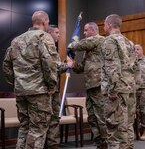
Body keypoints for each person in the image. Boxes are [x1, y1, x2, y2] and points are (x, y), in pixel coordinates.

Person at [3, 10, 59, 149]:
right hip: (39, 92)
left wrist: (16, 82)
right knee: (38, 130)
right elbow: (49, 64)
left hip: (21, 92)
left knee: (24, 128)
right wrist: (52, 85)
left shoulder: (16, 40)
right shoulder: (44, 37)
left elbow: (6, 65)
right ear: (45, 22)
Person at [101, 14, 140, 149]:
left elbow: (112, 67)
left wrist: (112, 90)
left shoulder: (110, 41)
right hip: (130, 88)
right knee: (128, 125)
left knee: (115, 128)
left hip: (117, 91)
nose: (104, 27)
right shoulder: (129, 42)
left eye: (105, 25)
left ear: (110, 25)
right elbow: (135, 67)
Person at [68, 22, 107, 149]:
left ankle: (107, 143)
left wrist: (71, 45)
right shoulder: (89, 49)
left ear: (93, 30)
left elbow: (79, 45)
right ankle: (99, 143)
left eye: (85, 30)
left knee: (101, 117)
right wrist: (74, 65)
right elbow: (82, 67)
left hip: (99, 85)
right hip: (90, 86)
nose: (84, 33)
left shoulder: (99, 40)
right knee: (92, 117)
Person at [135, 44, 145, 140]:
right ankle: (136, 131)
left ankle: (144, 131)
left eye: (138, 49)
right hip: (133, 90)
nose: (136, 51)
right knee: (134, 111)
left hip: (143, 89)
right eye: (134, 49)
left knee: (143, 111)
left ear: (142, 50)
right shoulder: (130, 62)